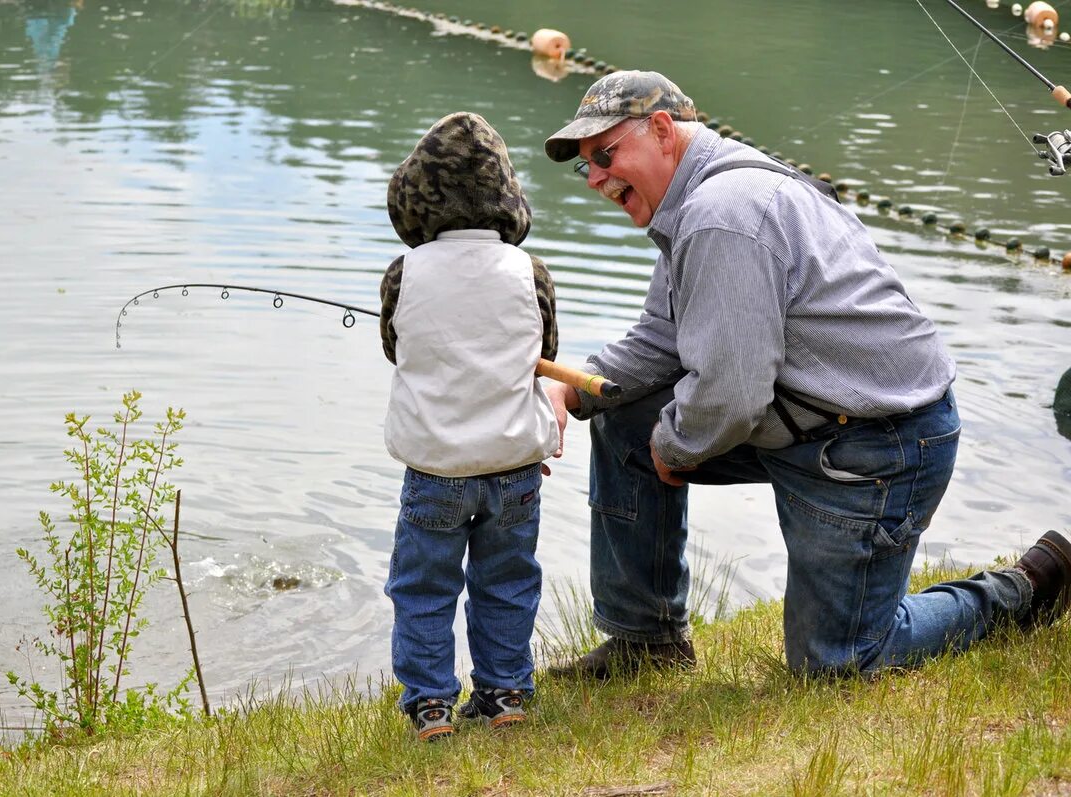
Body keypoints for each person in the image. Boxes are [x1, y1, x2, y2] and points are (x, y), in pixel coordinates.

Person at [539, 70, 1071, 678]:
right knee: (620, 416)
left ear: (662, 130)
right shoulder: (694, 200)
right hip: (809, 419)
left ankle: (1026, 587)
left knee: (838, 664)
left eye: (604, 155)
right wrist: (573, 389)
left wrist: (675, 444)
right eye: (586, 167)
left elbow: (732, 394)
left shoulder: (721, 213)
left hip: (878, 443)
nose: (598, 178)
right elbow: (662, 339)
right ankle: (646, 644)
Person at [380, 112, 561, 739]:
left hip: (435, 470)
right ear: (508, 197)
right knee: (508, 582)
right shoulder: (530, 271)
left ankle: (430, 704)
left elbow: (393, 348)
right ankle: (505, 693)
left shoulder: (405, 274)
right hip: (514, 469)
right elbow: (543, 353)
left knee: (424, 587)